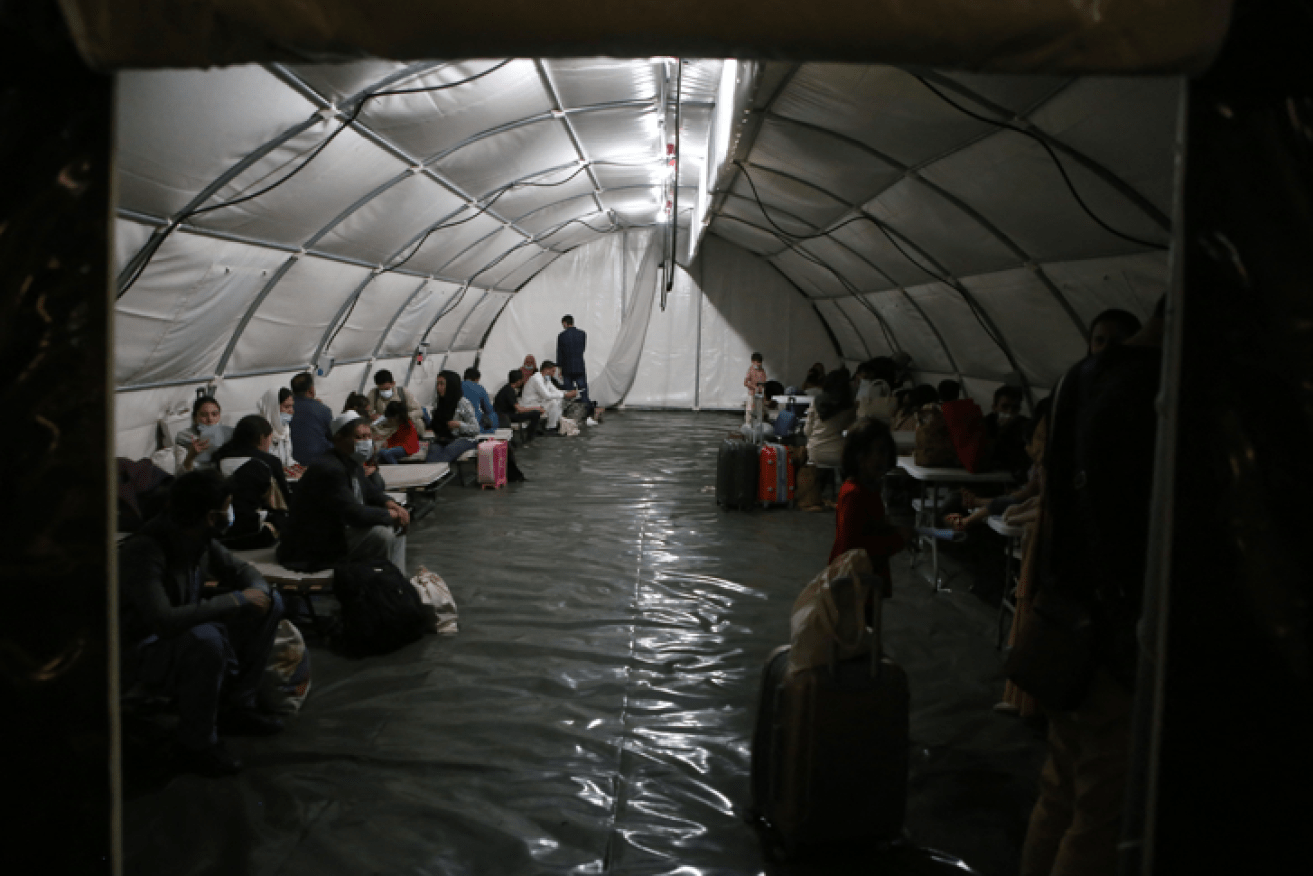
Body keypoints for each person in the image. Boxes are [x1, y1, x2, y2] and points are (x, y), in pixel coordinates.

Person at [1018, 298, 1164, 876]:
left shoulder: (1075, 383)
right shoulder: (1153, 397)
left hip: (1063, 618)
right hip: (1113, 635)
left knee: (1059, 788)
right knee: (1098, 809)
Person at [118, 470, 285, 776]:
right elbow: (164, 620)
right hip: (141, 653)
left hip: (183, 632)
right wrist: (236, 601)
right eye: (228, 506)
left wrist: (256, 594)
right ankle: (196, 744)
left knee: (271, 601)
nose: (230, 512)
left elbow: (245, 571)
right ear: (211, 515)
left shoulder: (199, 539)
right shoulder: (146, 550)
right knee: (205, 639)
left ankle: (237, 705)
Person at [278, 412, 409, 572]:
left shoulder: (350, 461)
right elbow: (354, 514)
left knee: (395, 527)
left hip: (337, 531)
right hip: (316, 544)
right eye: (359, 437)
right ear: (339, 439)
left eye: (368, 436)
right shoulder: (329, 469)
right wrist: (393, 515)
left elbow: (371, 491)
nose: (366, 442)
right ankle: (390, 585)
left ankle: (397, 582)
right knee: (383, 534)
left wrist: (392, 505)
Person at [828, 418, 913, 598]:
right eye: (879, 452)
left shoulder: (867, 489)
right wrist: (898, 538)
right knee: (858, 624)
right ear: (858, 456)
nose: (884, 459)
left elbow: (869, 530)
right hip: (855, 583)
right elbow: (855, 549)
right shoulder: (855, 494)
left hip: (862, 579)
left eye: (886, 453)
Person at [211, 415, 293, 549]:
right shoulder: (268, 462)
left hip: (223, 533)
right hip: (254, 534)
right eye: (270, 438)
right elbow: (285, 500)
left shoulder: (220, 458)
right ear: (262, 438)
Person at [804, 369, 858, 468]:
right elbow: (851, 429)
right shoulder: (850, 406)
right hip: (839, 453)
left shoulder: (816, 402)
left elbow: (807, 431)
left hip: (814, 452)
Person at [426, 370, 481, 461]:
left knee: (448, 451)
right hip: (444, 439)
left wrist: (459, 425)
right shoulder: (439, 403)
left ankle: (447, 474)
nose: (439, 387)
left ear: (451, 385)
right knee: (432, 454)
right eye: (438, 384)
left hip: (464, 439)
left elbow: (476, 429)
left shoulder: (463, 403)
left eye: (442, 384)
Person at [175, 395, 234, 472]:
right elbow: (179, 476)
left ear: (219, 416)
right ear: (195, 418)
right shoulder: (184, 437)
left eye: (214, 414)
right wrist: (190, 457)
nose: (210, 419)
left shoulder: (228, 434)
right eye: (204, 415)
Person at [985, 385, 1031, 479]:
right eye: (1005, 407)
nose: (1009, 411)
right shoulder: (985, 424)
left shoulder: (1024, 426)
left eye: (1015, 408)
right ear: (994, 407)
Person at [288, 372, 334, 466]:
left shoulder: (285, 408)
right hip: (319, 461)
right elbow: (333, 436)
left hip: (292, 462)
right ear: (311, 390)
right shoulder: (323, 409)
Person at [522, 359, 577, 432]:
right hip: (530, 404)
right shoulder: (537, 379)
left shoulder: (546, 378)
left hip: (539, 402)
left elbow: (554, 390)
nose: (554, 374)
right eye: (553, 371)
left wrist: (568, 393)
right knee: (553, 402)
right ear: (546, 370)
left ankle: (554, 424)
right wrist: (565, 394)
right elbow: (547, 395)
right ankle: (551, 427)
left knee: (557, 400)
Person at [495, 370, 543, 437]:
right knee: (536, 414)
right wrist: (536, 408)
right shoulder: (509, 391)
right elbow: (520, 410)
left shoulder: (507, 388)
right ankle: (529, 437)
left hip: (505, 415)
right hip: (506, 417)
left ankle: (530, 432)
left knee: (533, 412)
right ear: (518, 381)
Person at [257, 387, 296, 470]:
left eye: (292, 406)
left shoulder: (284, 430)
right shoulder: (259, 432)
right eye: (286, 407)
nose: (291, 411)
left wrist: (297, 468)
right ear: (273, 408)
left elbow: (288, 459)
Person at [556, 314, 589, 404]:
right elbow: (583, 349)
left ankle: (570, 410)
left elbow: (560, 353)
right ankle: (586, 408)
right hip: (579, 365)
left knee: (569, 391)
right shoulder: (582, 334)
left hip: (567, 367)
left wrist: (559, 368)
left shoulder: (561, 336)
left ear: (565, 323)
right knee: (583, 389)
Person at [376, 401, 420, 465]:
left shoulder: (407, 424)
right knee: (379, 452)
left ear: (396, 416)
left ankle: (396, 468)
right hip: (402, 446)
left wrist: (389, 444)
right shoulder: (399, 424)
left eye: (390, 418)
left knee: (388, 453)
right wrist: (387, 442)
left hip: (408, 447)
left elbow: (405, 440)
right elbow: (396, 436)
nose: (390, 420)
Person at [461, 367, 498, 433]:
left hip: (456, 423)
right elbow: (488, 409)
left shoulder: (456, 385)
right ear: (477, 379)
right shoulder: (479, 388)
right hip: (474, 423)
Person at [743, 352, 768, 423]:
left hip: (760, 395)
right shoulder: (750, 370)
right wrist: (754, 387)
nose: (759, 364)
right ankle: (748, 424)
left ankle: (759, 424)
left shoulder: (762, 370)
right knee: (750, 411)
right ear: (753, 361)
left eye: (760, 362)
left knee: (760, 411)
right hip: (752, 394)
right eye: (757, 362)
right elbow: (745, 383)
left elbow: (764, 381)